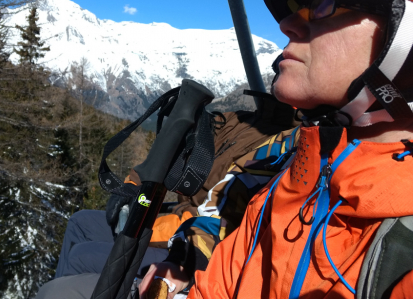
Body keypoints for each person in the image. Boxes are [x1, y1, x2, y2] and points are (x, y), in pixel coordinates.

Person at [139, 0, 413, 298]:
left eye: (322, 5)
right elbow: (219, 287)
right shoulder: (305, 168)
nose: (287, 24)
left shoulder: (401, 242)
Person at [35, 99, 299, 299]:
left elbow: (226, 220)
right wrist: (134, 186)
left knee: (79, 259)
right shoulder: (240, 123)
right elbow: (177, 149)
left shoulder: (290, 150)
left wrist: (154, 223)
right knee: (80, 222)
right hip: (185, 221)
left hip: (192, 235)